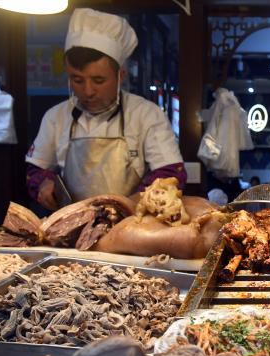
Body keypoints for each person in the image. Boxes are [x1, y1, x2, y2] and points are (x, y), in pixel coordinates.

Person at [25, 8, 186, 210]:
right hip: (72, 227)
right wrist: (43, 183)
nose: (88, 91)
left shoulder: (146, 114)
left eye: (98, 80)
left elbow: (170, 173)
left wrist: (132, 205)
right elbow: (35, 169)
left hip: (131, 225)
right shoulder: (55, 117)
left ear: (120, 76)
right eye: (77, 80)